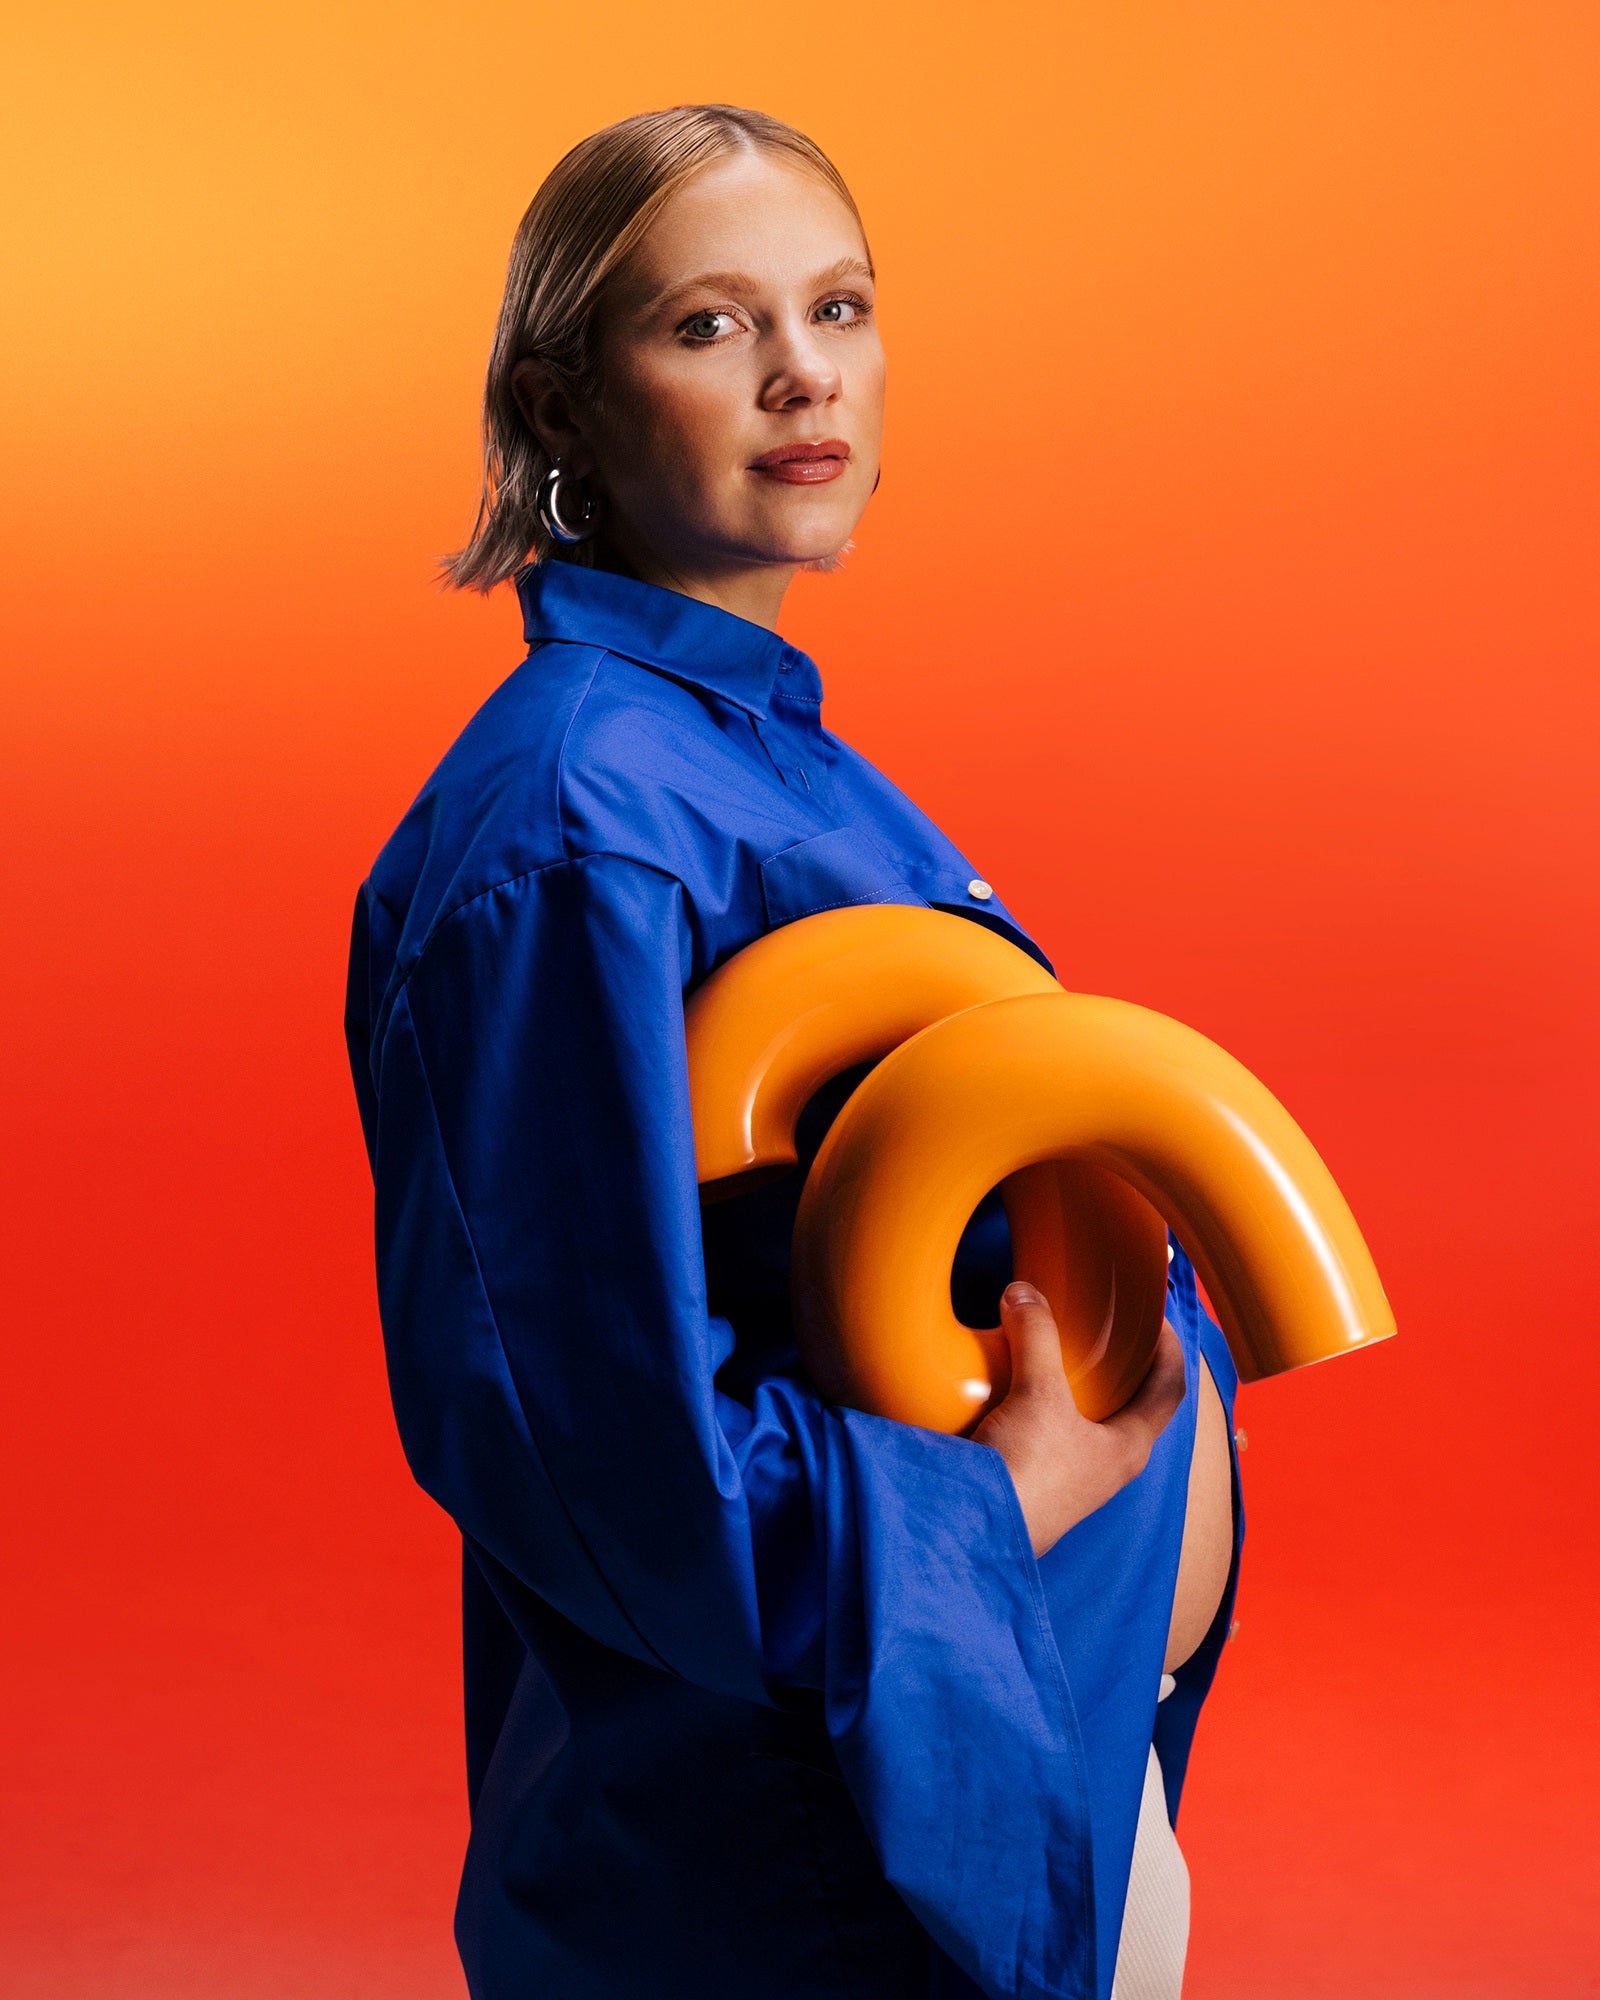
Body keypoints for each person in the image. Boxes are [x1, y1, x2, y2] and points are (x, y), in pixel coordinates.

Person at [345, 104, 1240, 2000]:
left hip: (1014, 1750)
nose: (799, 372)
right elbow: (580, 1438)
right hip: (804, 1860)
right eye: (709, 326)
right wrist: (989, 1509)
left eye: (837, 308)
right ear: (560, 402)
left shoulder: (760, 757)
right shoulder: (580, 822)